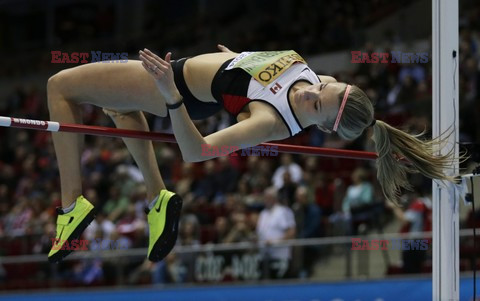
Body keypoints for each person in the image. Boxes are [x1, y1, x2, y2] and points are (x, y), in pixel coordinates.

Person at [46, 44, 458, 263]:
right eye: (323, 88)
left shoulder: (270, 121)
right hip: (206, 74)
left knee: (59, 85)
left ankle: (71, 208)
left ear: (321, 126)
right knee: (117, 106)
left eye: (316, 104)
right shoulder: (322, 85)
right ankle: (158, 199)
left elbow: (197, 151)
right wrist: (237, 61)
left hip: (181, 85)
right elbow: (271, 77)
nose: (310, 91)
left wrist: (170, 97)